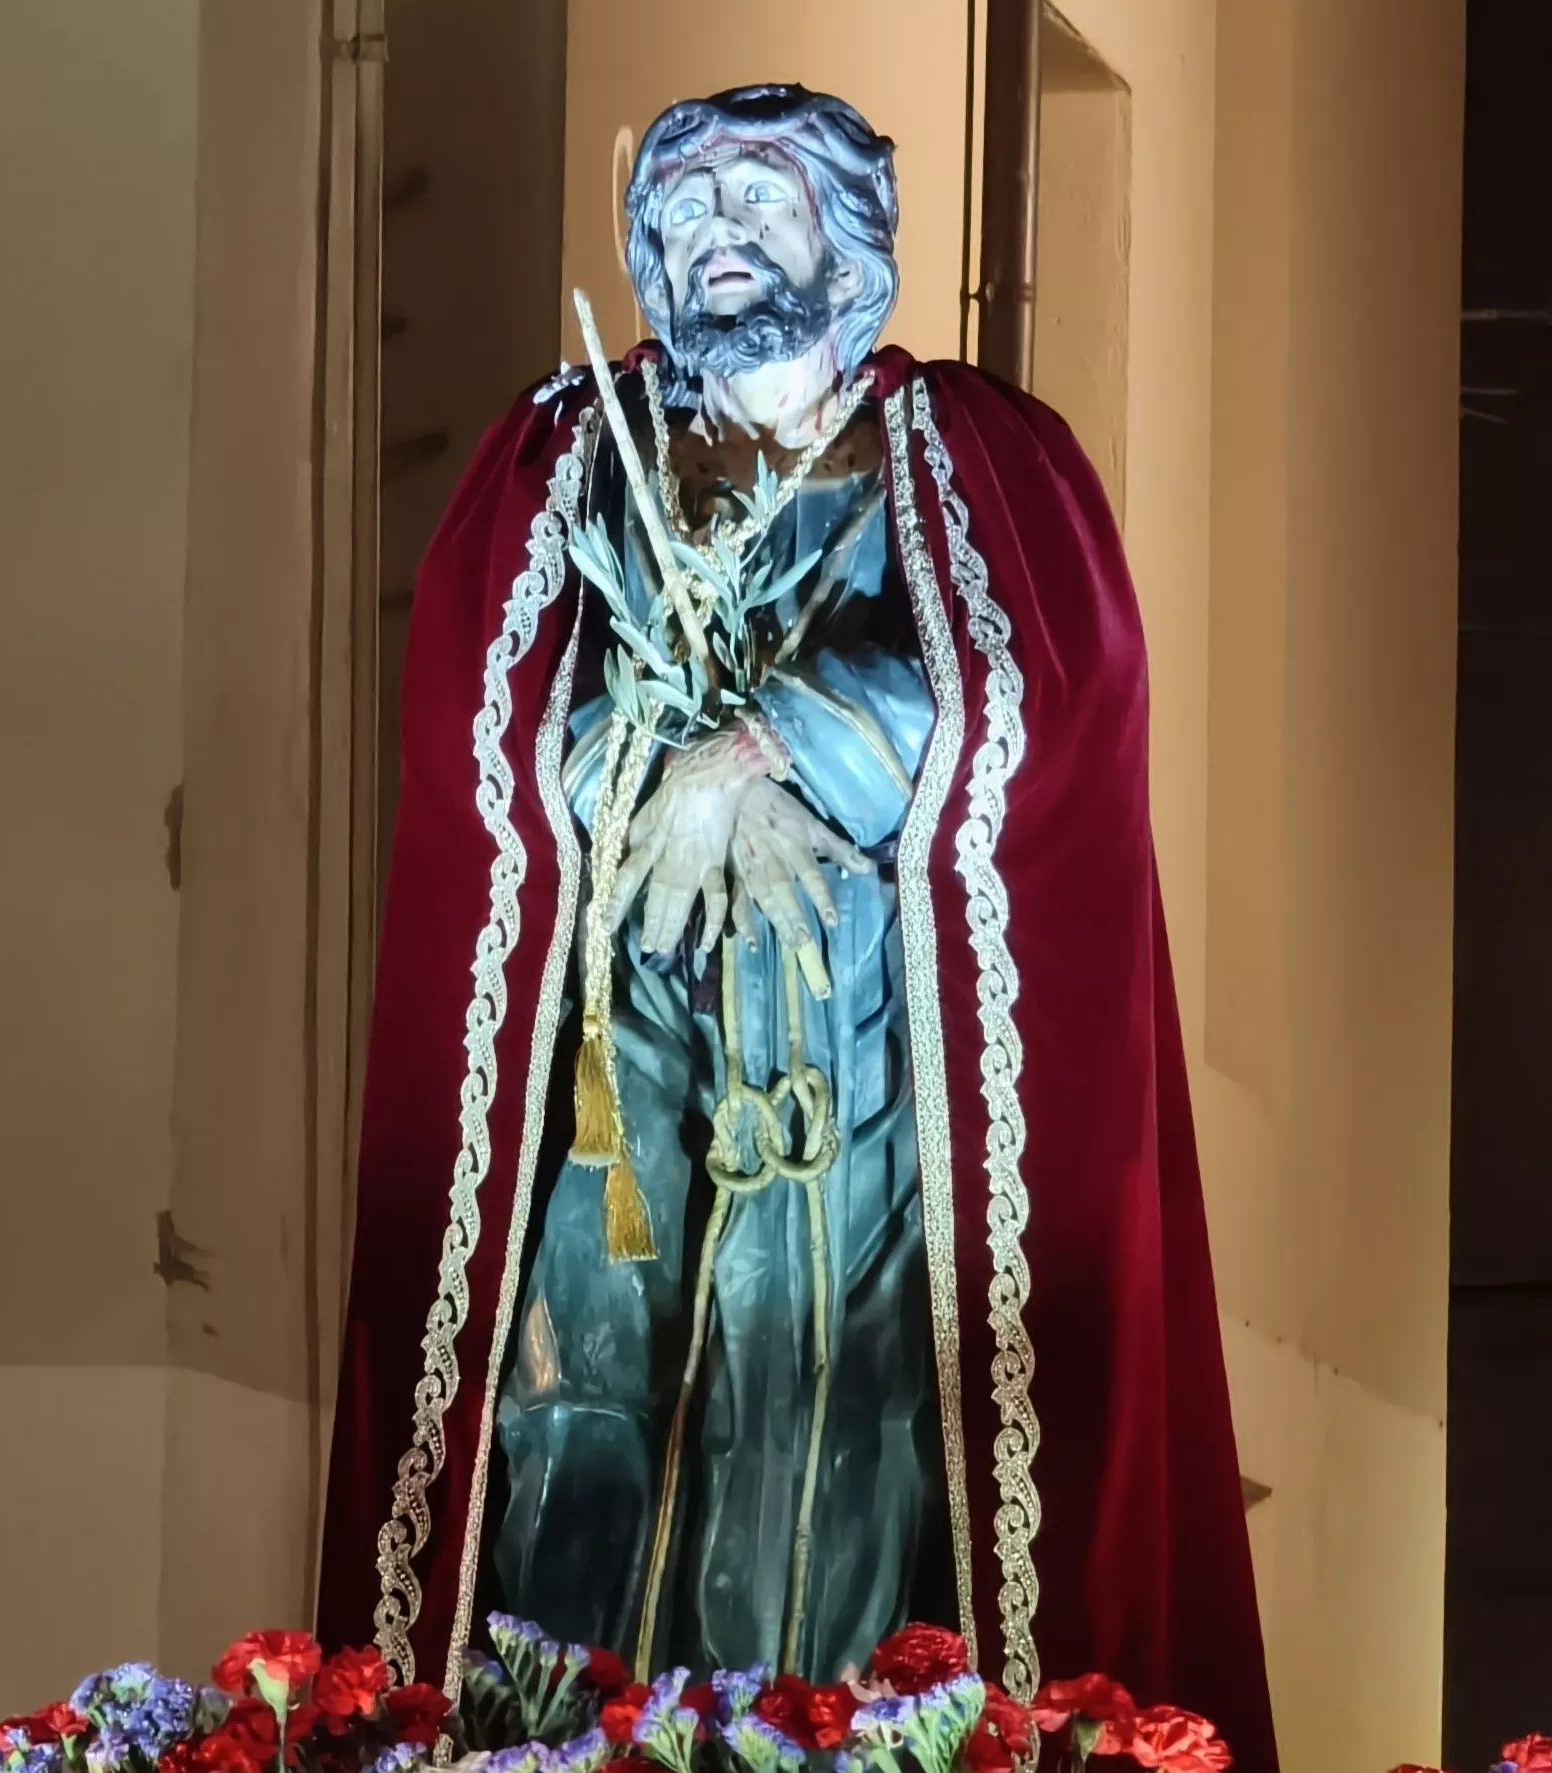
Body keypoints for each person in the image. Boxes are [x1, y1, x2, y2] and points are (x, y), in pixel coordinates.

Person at [318, 85, 1276, 1768]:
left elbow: (1050, 688)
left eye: (759, 212)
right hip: (625, 1061)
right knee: (576, 1402)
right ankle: (569, 1727)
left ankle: (832, 1729)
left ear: (852, 239)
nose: (717, 251)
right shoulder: (572, 453)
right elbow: (484, 710)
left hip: (866, 1070)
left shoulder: (970, 450)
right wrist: (657, 773)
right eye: (680, 221)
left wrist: (781, 748)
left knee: (843, 1416)